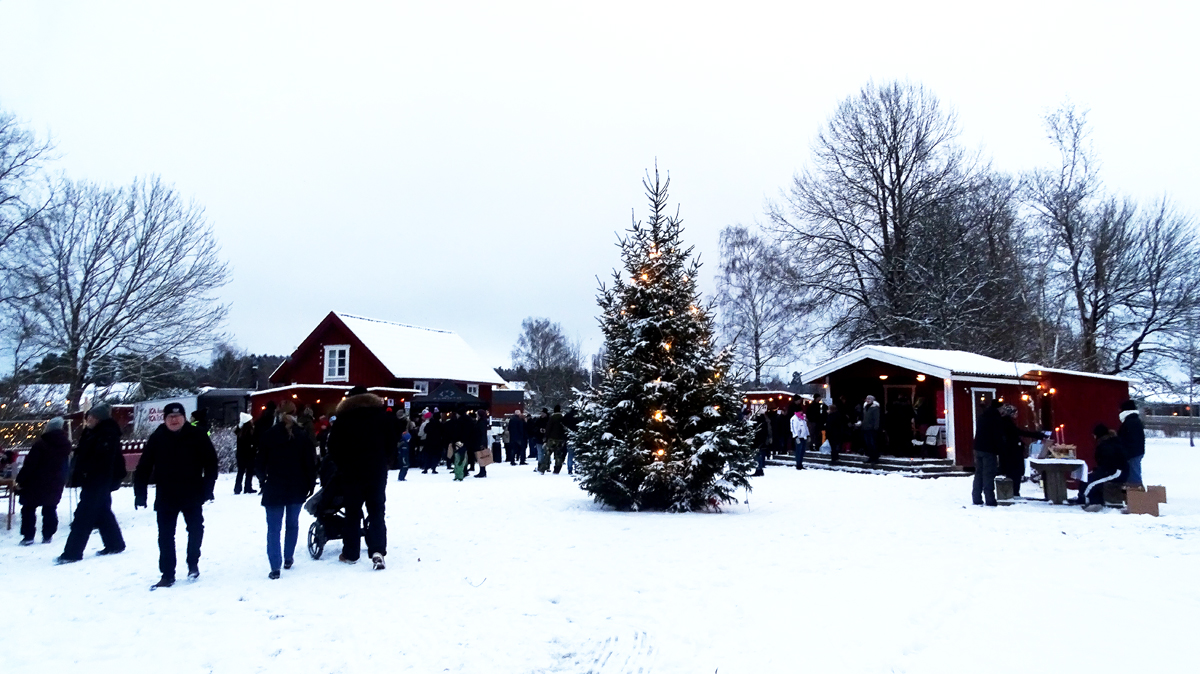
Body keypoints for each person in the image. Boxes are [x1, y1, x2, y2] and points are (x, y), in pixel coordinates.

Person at [134, 401, 219, 588]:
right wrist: (140, 493)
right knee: (165, 535)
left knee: (196, 529)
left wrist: (208, 488)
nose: (174, 420)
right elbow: (144, 466)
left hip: (193, 491)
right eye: (170, 417)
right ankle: (167, 573)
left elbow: (211, 463)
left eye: (177, 416)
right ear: (165, 419)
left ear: (184, 417)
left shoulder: (197, 435)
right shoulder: (157, 437)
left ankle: (192, 561)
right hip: (167, 494)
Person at [327, 386, 395, 569]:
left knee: (352, 513)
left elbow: (333, 447)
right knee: (377, 510)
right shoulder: (382, 417)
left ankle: (351, 553)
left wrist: (342, 465)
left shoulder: (344, 419)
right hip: (377, 471)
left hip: (351, 472)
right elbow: (391, 443)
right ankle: (378, 549)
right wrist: (384, 461)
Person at [56, 403, 127, 564]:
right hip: (92, 479)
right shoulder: (92, 432)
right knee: (102, 512)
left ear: (99, 418)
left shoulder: (107, 434)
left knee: (84, 515)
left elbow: (103, 459)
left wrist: (87, 470)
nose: (88, 420)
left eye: (92, 417)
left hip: (99, 479)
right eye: (88, 417)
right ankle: (115, 544)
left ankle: (72, 553)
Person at [256, 401, 317, 579]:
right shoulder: (302, 435)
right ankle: (288, 557)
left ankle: (275, 566)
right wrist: (310, 484)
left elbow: (260, 462)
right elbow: (310, 463)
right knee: (292, 524)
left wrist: (262, 480)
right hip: (297, 486)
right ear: (295, 413)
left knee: (273, 529)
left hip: (274, 485)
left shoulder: (269, 435)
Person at [16, 417, 72, 545]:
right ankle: (48, 535)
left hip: (35, 482)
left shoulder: (40, 444)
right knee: (50, 508)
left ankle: (28, 536)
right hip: (55, 482)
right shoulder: (66, 445)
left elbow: (30, 465)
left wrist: (20, 480)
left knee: (28, 508)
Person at [1079, 424, 1128, 512]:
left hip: (1116, 472)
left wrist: (1100, 471)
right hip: (1109, 470)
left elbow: (1109, 463)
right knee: (1088, 478)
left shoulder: (1108, 445)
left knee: (1092, 483)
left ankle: (1087, 500)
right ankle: (1093, 500)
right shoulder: (1107, 443)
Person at [997, 404, 1043, 497]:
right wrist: (1037, 435)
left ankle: (1013, 492)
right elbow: (1017, 433)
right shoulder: (1007, 423)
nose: (1016, 414)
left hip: (1009, 452)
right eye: (1015, 412)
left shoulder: (1005, 422)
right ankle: (1014, 493)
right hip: (1012, 453)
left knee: (1013, 473)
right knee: (1015, 473)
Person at [971, 400, 1004, 506]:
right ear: (998, 408)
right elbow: (997, 436)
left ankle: (976, 497)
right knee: (988, 474)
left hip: (978, 447)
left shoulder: (982, 416)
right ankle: (990, 499)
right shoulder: (996, 419)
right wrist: (1000, 450)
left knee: (979, 473)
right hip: (989, 449)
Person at [1118, 400, 1145, 486]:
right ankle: (1136, 493)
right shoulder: (1134, 420)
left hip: (1132, 453)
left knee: (1134, 476)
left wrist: (1125, 453)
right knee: (1135, 473)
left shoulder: (1130, 422)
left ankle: (1136, 494)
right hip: (1136, 452)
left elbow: (1130, 439)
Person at [542, 404, 567, 474]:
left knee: (547, 454)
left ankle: (543, 468)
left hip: (551, 438)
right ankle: (557, 469)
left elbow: (548, 428)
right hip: (560, 439)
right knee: (558, 455)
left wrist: (546, 438)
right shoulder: (562, 417)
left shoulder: (552, 418)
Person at [235, 419, 257, 494]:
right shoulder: (250, 432)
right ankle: (247, 487)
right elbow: (253, 442)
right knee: (249, 472)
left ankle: (237, 488)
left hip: (240, 455)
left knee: (240, 472)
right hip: (249, 455)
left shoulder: (240, 432)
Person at [860, 395, 881, 463]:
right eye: (867, 399)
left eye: (869, 399)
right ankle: (870, 457)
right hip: (865, 428)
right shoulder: (865, 407)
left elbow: (876, 418)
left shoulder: (875, 408)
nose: (868, 400)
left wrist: (875, 427)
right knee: (868, 444)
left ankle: (875, 457)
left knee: (873, 443)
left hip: (871, 428)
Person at [751, 410, 770, 477]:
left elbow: (756, 434)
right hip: (763, 442)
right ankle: (760, 469)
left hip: (757, 442)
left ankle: (758, 469)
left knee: (757, 457)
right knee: (761, 456)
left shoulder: (758, 425)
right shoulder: (765, 424)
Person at [473, 408, 490, 478]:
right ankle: (482, 470)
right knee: (481, 456)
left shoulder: (481, 422)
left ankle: (482, 471)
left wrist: (482, 443)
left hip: (480, 441)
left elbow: (482, 433)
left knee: (481, 456)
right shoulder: (482, 421)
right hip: (480, 441)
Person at [564, 407, 580, 475]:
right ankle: (577, 468)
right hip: (578, 437)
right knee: (577, 455)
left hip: (569, 437)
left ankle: (569, 469)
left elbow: (563, 423)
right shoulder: (579, 416)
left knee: (570, 454)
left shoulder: (567, 416)